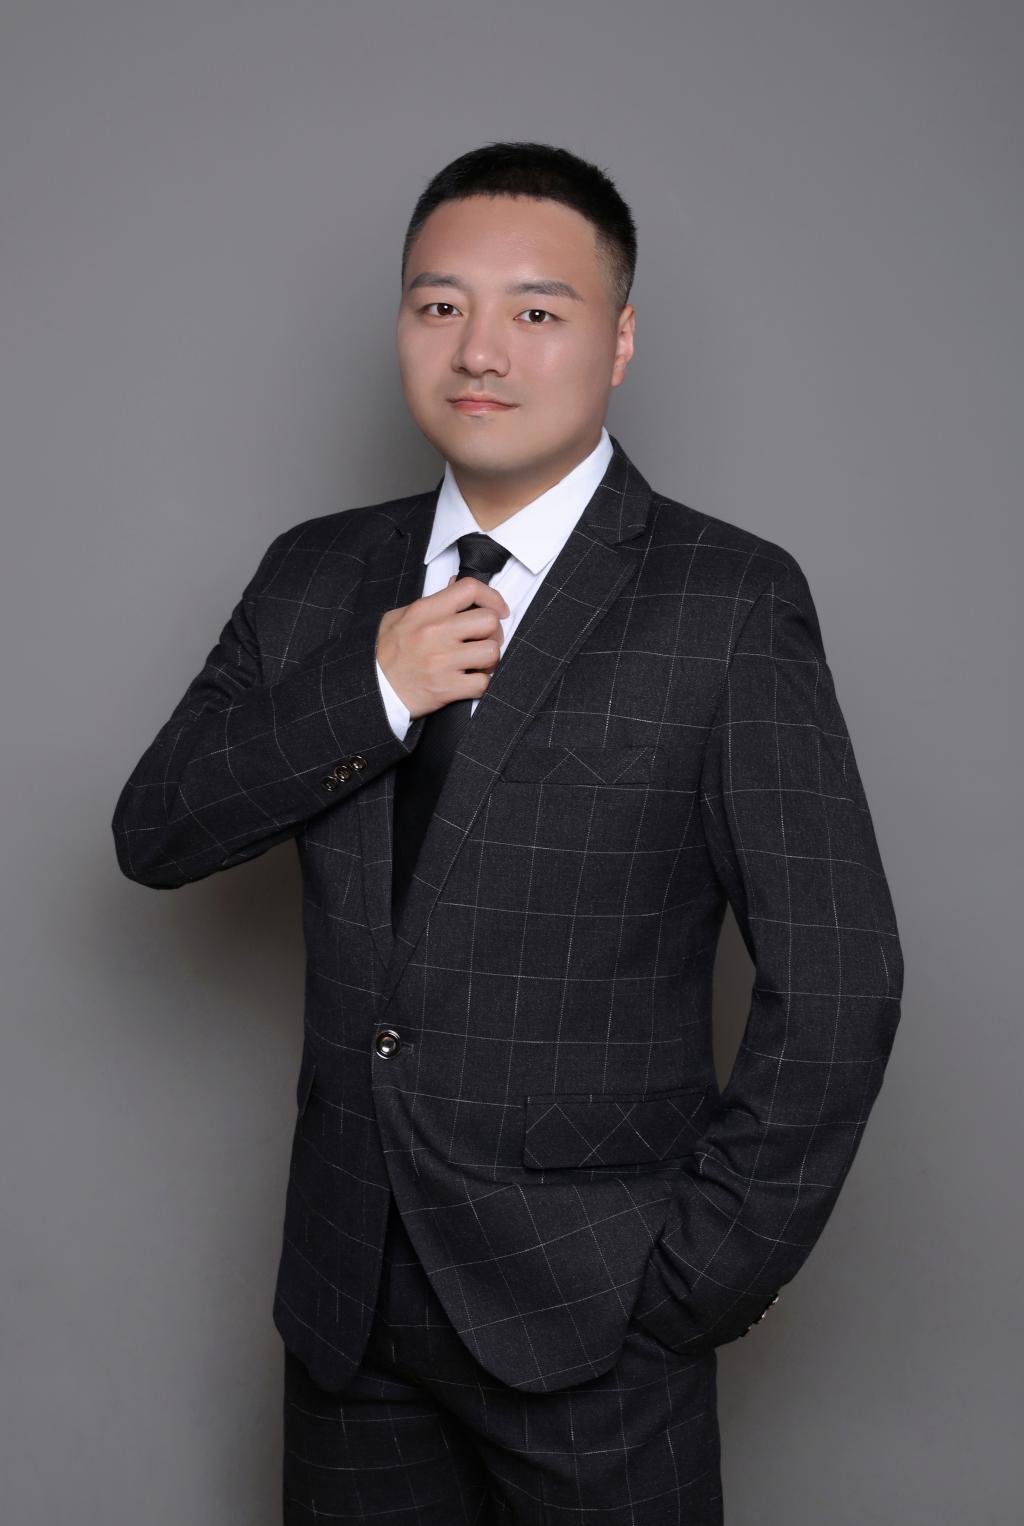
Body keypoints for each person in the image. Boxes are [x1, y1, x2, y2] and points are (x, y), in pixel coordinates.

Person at [112, 141, 904, 1525]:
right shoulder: (314, 574)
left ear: (620, 339)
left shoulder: (726, 599)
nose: (479, 349)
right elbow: (158, 829)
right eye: (440, 306)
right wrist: (374, 687)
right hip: (347, 1303)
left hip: (597, 1308)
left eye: (537, 310)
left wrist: (698, 1278)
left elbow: (840, 978)